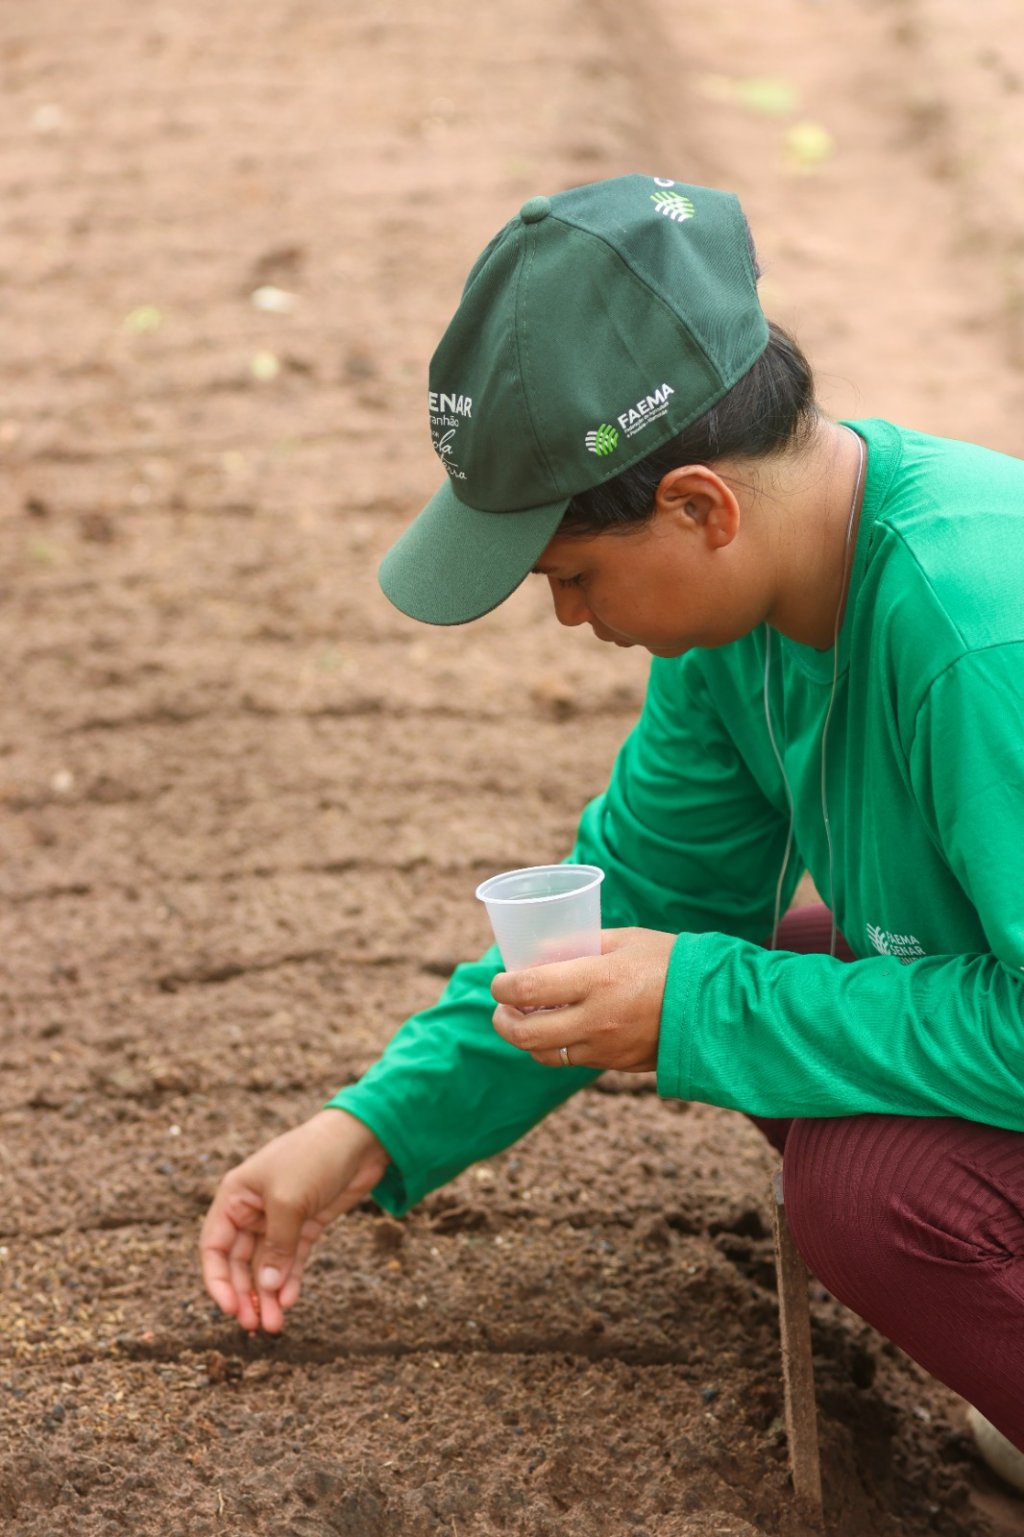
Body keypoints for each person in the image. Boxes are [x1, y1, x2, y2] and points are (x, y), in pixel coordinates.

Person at [200, 175, 1024, 1483]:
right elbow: (641, 896)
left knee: (872, 1192)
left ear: (701, 508)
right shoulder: (744, 619)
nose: (572, 619)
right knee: (787, 986)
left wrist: (702, 1000)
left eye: (574, 575)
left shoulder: (975, 632)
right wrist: (368, 1130)